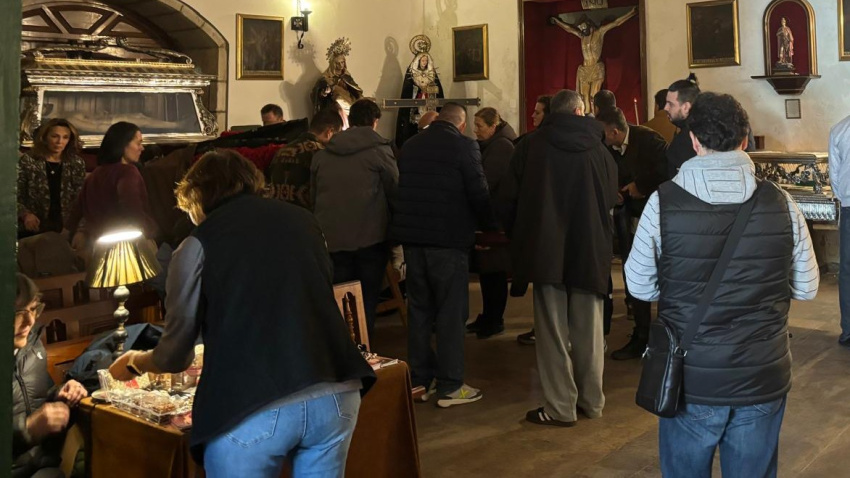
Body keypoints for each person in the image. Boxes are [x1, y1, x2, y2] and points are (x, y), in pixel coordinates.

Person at [108, 150, 375, 477]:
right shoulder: (305, 220)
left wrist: (136, 360)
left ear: (195, 198)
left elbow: (174, 356)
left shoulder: (196, 244)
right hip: (336, 391)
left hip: (255, 401)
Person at [625, 92, 819, 477]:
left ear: (694, 140)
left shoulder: (663, 202)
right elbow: (808, 286)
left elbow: (640, 287)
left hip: (691, 377)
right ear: (745, 139)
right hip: (761, 373)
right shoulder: (781, 202)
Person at [502, 89, 617, 426]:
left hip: (545, 250)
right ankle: (592, 402)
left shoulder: (530, 146)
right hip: (590, 248)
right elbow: (612, 197)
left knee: (552, 331)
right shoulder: (600, 150)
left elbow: (508, 200)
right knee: (590, 331)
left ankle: (559, 407)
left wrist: (522, 237)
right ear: (581, 111)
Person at [390, 102, 496, 407]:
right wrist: (489, 227)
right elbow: (478, 190)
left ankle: (421, 380)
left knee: (419, 312)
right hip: (448, 243)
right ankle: (451, 385)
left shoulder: (410, 145)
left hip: (413, 242)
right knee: (451, 314)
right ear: (461, 125)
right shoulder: (464, 146)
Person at [311, 98, 398, 340]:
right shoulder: (380, 151)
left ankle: (338, 354)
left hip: (332, 238)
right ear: (375, 121)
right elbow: (395, 191)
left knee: (337, 300)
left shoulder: (323, 155)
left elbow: (313, 195)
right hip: (370, 238)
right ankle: (363, 353)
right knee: (366, 301)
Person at [595, 107, 667, 360]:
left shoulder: (650, 140)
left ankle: (662, 336)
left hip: (656, 217)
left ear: (615, 131)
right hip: (627, 216)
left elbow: (669, 172)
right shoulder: (606, 146)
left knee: (660, 275)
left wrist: (641, 186)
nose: (600, 138)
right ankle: (641, 334)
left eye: (603, 133)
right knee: (633, 272)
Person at [13, 273, 88, 478]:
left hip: (43, 464)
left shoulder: (31, 346)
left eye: (33, 308)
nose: (29, 321)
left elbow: (40, 396)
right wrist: (27, 429)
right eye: (17, 312)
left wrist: (62, 394)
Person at [465, 107, 517, 339]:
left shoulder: (502, 147)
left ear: (493, 126)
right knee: (487, 271)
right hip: (489, 217)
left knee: (494, 271)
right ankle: (488, 315)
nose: (475, 131)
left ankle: (495, 319)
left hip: (496, 218)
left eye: (479, 126)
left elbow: (486, 181)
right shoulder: (494, 144)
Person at [67, 122, 158, 245]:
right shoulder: (127, 172)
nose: (142, 148)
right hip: (125, 243)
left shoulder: (95, 173)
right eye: (138, 143)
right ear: (123, 144)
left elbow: (76, 212)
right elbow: (131, 205)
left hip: (96, 243)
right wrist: (149, 230)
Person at [515, 94, 552, 346]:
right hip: (548, 226)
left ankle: (547, 332)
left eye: (538, 112)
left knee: (548, 287)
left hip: (544, 226)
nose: (533, 116)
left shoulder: (533, 144)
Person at [549, 8, 637, 112]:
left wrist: (631, 13)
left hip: (596, 68)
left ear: (589, 25)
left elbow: (616, 23)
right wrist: (558, 22)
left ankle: (595, 119)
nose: (582, 30)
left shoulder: (599, 32)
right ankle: (587, 118)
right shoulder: (582, 36)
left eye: (583, 28)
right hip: (585, 69)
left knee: (593, 97)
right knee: (583, 97)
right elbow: (569, 29)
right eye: (581, 29)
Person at [17, 118, 86, 239]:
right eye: (55, 136)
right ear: (45, 137)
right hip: (34, 226)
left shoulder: (76, 163)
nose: (60, 141)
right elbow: (16, 195)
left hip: (65, 227)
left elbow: (80, 199)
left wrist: (78, 228)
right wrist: (26, 214)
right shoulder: (29, 160)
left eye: (65, 137)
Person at [268, 108, 343, 210]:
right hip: (306, 219)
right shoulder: (321, 154)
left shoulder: (282, 150)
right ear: (329, 132)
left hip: (276, 214)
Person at [395, 48, 444, 148]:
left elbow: (438, 93)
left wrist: (430, 89)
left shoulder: (432, 73)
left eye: (426, 60)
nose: (424, 63)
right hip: (415, 110)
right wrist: (418, 90)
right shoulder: (412, 73)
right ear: (418, 61)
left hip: (429, 107)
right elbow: (407, 93)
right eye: (422, 60)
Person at [830, 113, 850, 349]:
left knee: (847, 271)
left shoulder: (840, 129)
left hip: (849, 204)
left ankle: (849, 330)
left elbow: (834, 177)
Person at [311, 38, 363, 118]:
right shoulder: (325, 78)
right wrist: (324, 93)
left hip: (349, 104)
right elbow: (316, 95)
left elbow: (355, 89)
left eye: (342, 62)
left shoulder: (346, 76)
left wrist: (359, 96)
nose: (341, 65)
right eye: (338, 63)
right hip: (335, 109)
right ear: (333, 64)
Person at [664, 73, 700, 178]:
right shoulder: (704, 130)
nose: (666, 108)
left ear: (686, 107)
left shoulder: (684, 141)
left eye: (670, 104)